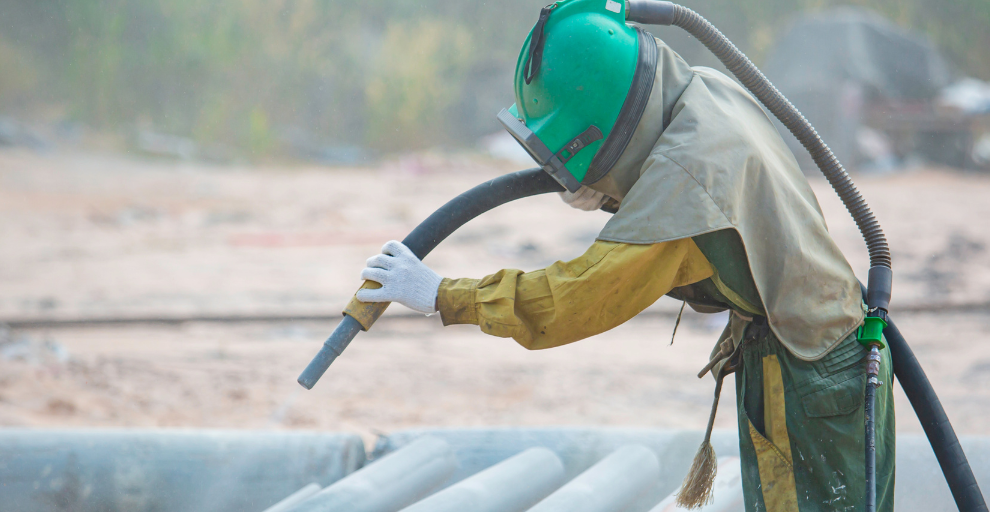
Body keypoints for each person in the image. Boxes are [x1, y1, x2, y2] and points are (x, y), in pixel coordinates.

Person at [354, 1, 894, 510]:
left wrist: (441, 295)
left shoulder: (684, 181)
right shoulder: (703, 92)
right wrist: (609, 189)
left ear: (601, 127)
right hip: (825, 356)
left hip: (809, 381)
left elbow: (577, 297)